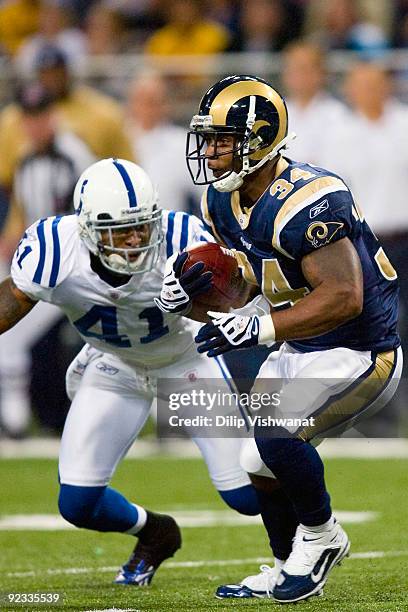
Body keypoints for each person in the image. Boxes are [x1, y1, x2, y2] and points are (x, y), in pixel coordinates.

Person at [156, 75, 402, 603]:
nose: (211, 150)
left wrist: (261, 326)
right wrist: (192, 302)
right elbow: (250, 287)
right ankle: (286, 561)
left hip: (360, 349)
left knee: (276, 434)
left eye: (223, 139)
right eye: (208, 137)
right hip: (304, 343)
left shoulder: (310, 198)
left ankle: (322, 535)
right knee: (255, 461)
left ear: (260, 139)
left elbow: (343, 295)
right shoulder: (220, 203)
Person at [0, 158, 259, 586]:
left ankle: (314, 531)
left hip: (185, 364)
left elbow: (240, 298)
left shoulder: (181, 238)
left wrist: (208, 293)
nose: (137, 240)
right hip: (114, 365)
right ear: (88, 230)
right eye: (122, 230)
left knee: (246, 496)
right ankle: (155, 532)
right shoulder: (54, 248)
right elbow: (12, 298)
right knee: (78, 503)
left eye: (143, 226)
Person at [0, 81, 95, 437]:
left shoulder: (74, 155)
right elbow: (29, 217)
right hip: (44, 265)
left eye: (40, 116)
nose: (34, 125)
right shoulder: (25, 161)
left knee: (13, 336)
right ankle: (16, 416)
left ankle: (15, 418)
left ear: (52, 117)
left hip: (75, 269)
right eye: (28, 118)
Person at [0, 45, 133, 192]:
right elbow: (5, 178)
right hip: (29, 205)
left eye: (56, 73)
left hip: (87, 203)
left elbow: (127, 167)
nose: (51, 80)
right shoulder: (12, 118)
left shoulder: (103, 112)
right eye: (46, 74)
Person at [126, 72, 202, 214]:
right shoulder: (121, 138)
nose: (147, 107)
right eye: (141, 100)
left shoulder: (184, 142)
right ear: (131, 103)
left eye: (153, 101)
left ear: (166, 105)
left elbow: (205, 192)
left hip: (169, 226)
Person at [282, 41, 349, 165]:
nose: (298, 75)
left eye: (304, 68)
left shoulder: (337, 115)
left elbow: (337, 162)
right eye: (292, 68)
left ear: (320, 73)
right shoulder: (276, 113)